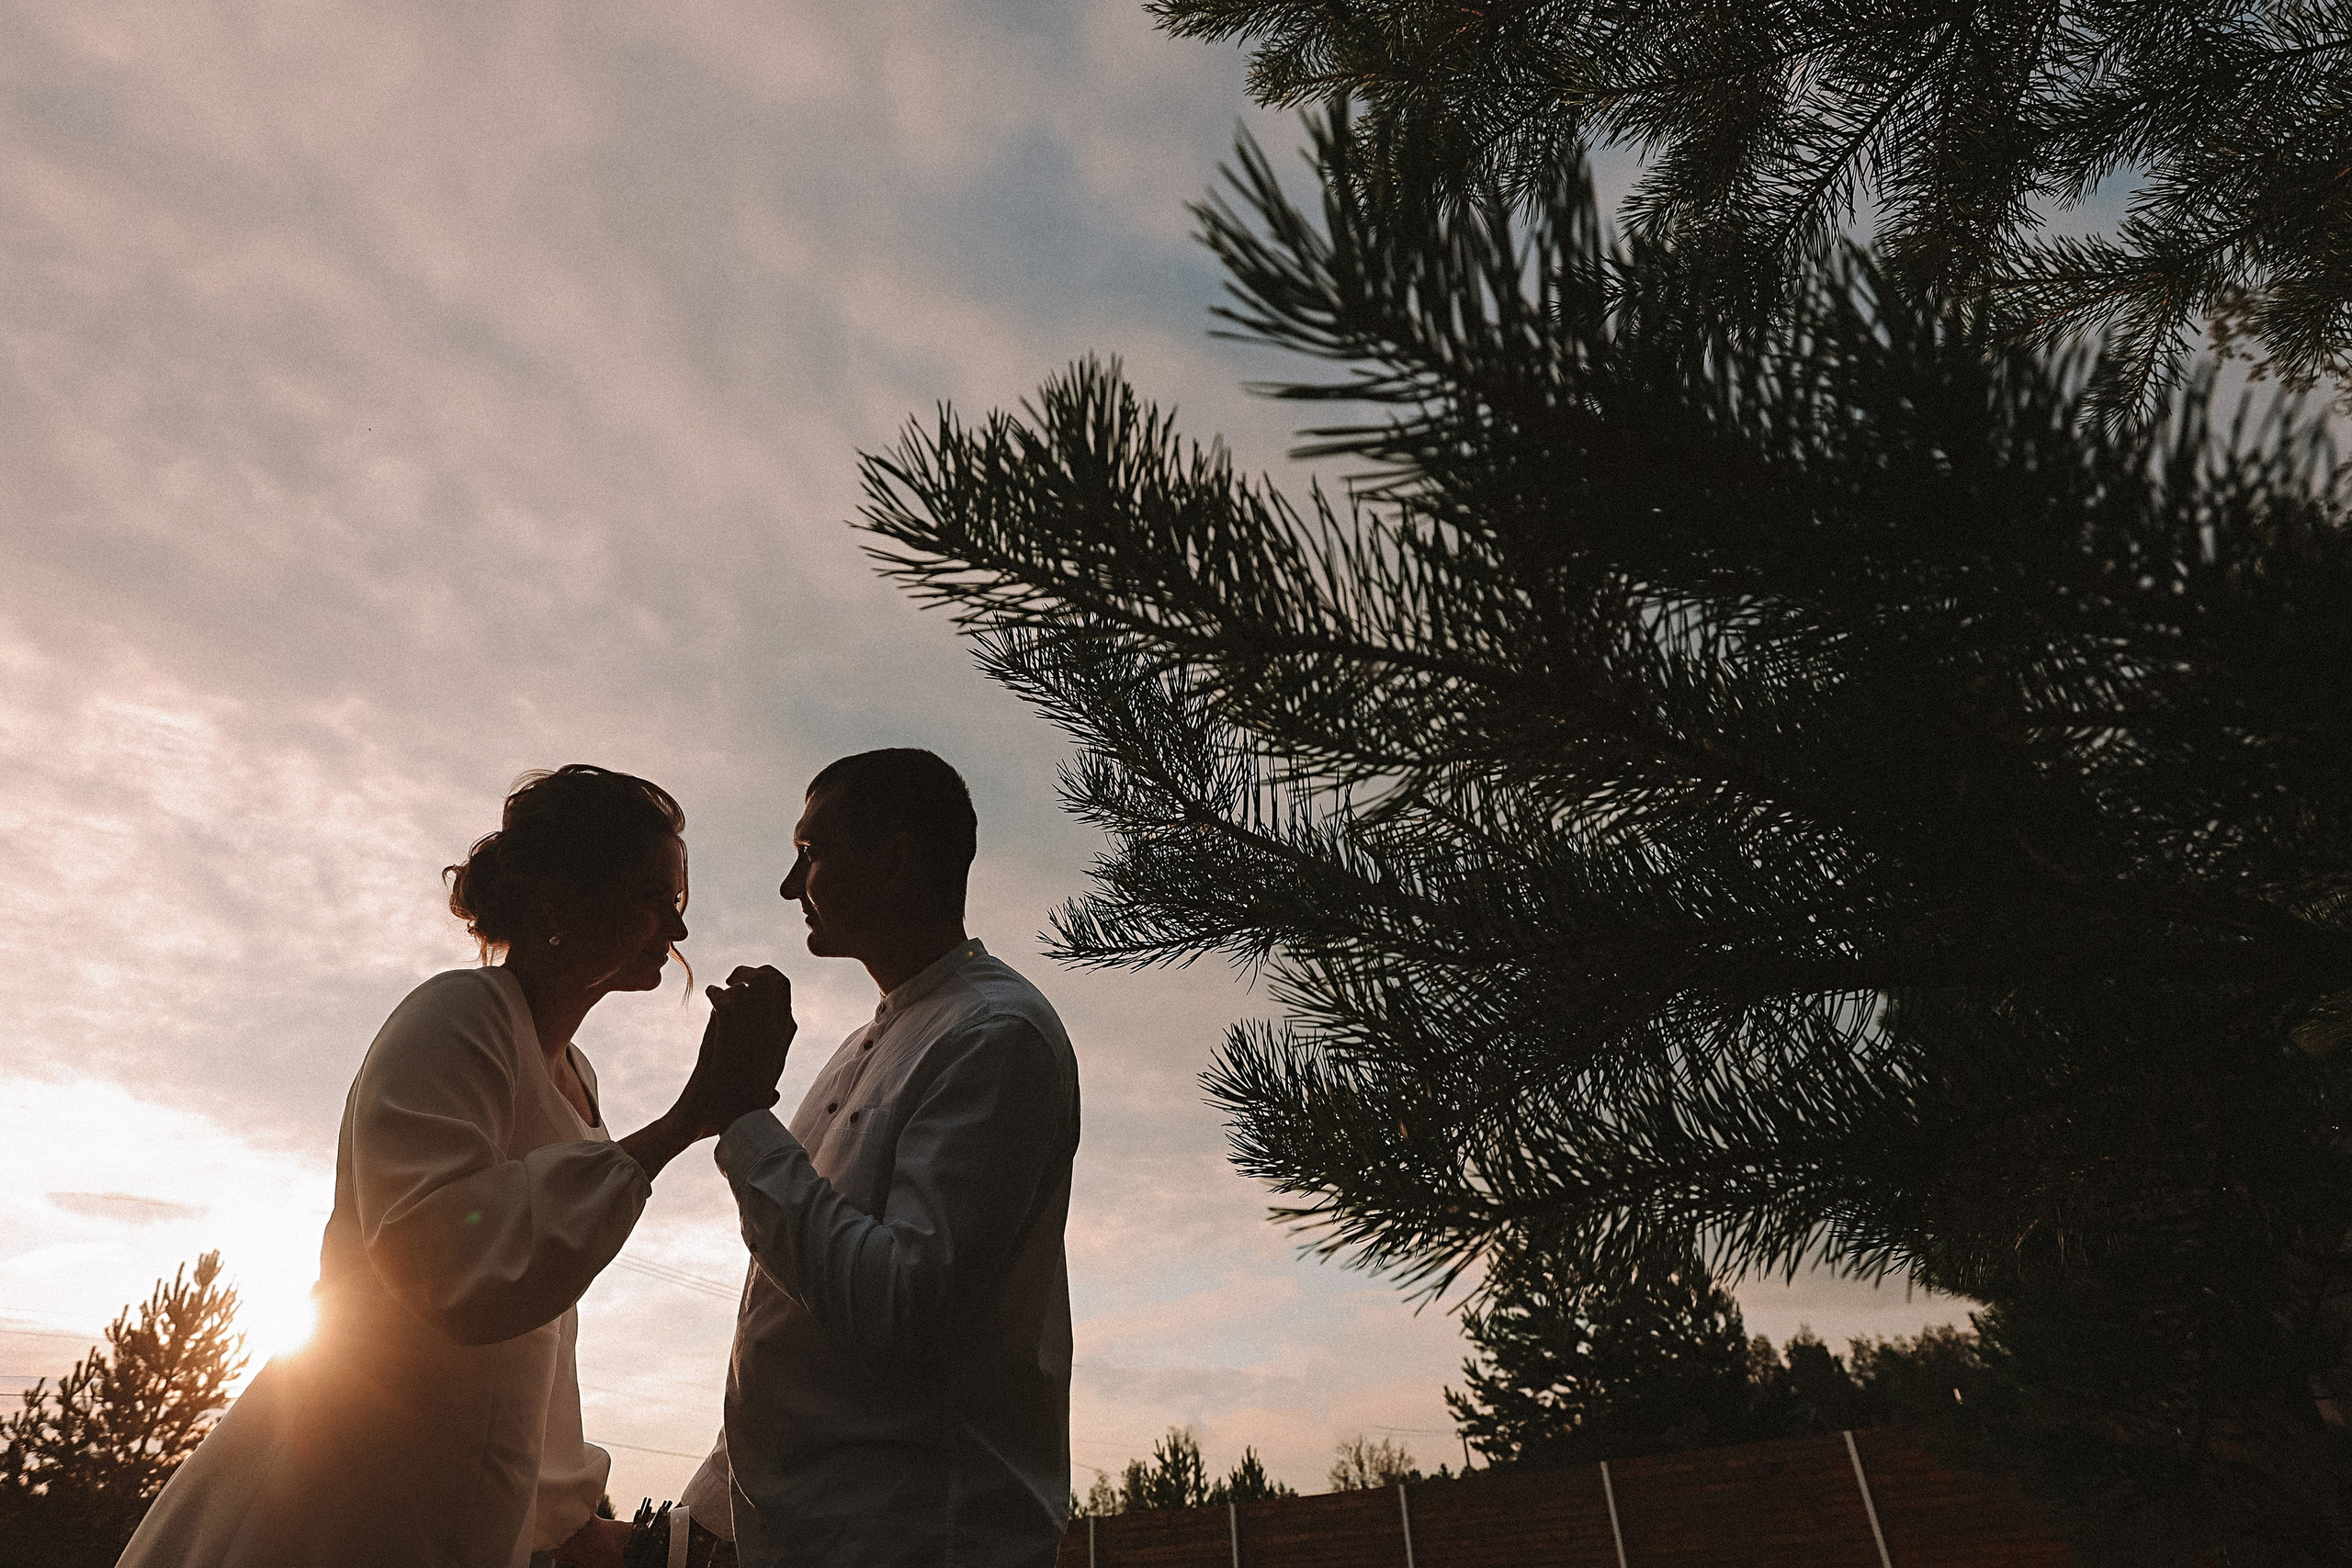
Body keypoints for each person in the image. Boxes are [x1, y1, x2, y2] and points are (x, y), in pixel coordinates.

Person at [119, 765, 791, 1568]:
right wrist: (683, 1122)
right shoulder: (456, 1017)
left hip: (460, 1510)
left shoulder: (578, 1077)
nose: (676, 928)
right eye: (653, 897)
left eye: (677, 901)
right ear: (557, 904)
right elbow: (445, 1259)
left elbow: (543, 1331)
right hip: (339, 1494)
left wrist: (567, 1518)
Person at [677, 749, 1082, 1568]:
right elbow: (791, 1321)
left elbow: (902, 1307)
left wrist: (746, 1116)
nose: (790, 885)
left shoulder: (995, 1036)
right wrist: (698, 1523)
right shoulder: (871, 1044)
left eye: (811, 852)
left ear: (895, 861)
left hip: (914, 1538)